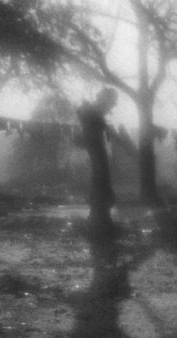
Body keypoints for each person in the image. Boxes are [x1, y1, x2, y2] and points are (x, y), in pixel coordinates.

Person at [77, 88, 118, 231]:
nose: (111, 108)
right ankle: (99, 217)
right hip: (95, 147)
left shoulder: (93, 114)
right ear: (104, 100)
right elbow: (91, 127)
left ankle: (100, 215)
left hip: (97, 148)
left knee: (102, 175)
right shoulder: (91, 114)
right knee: (101, 175)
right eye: (110, 104)